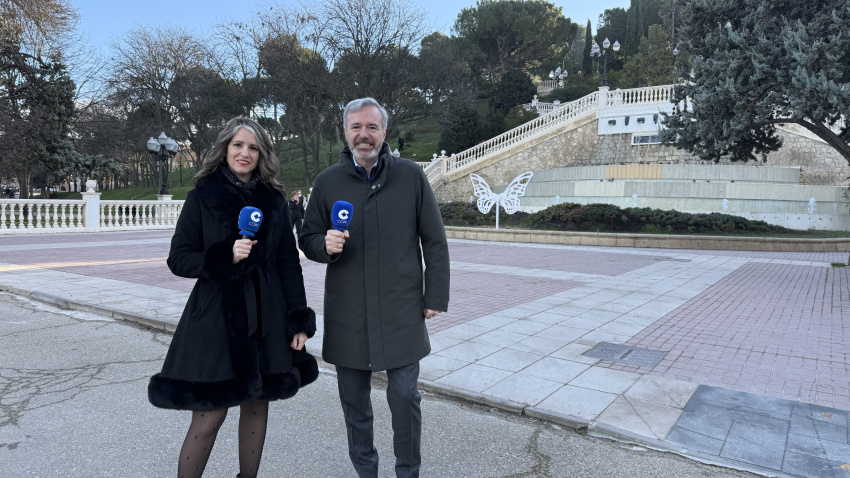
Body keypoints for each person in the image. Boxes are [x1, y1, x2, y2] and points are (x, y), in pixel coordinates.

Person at [148, 117, 318, 478]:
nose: (245, 153)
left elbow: (289, 264)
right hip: (216, 316)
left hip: (267, 314)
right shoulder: (201, 197)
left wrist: (298, 319)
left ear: (262, 154)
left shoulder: (274, 201)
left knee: (258, 405)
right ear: (225, 148)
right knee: (210, 413)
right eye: (238, 145)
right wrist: (224, 255)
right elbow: (178, 258)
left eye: (253, 147)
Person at [299, 98, 450, 478]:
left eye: (371, 127)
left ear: (384, 132)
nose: (363, 135)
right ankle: (366, 472)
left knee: (404, 398)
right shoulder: (327, 182)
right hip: (348, 312)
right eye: (356, 127)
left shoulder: (412, 176)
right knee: (355, 404)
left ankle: (407, 471)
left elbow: (434, 240)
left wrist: (435, 296)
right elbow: (308, 237)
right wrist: (324, 246)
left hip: (401, 311)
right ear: (345, 132)